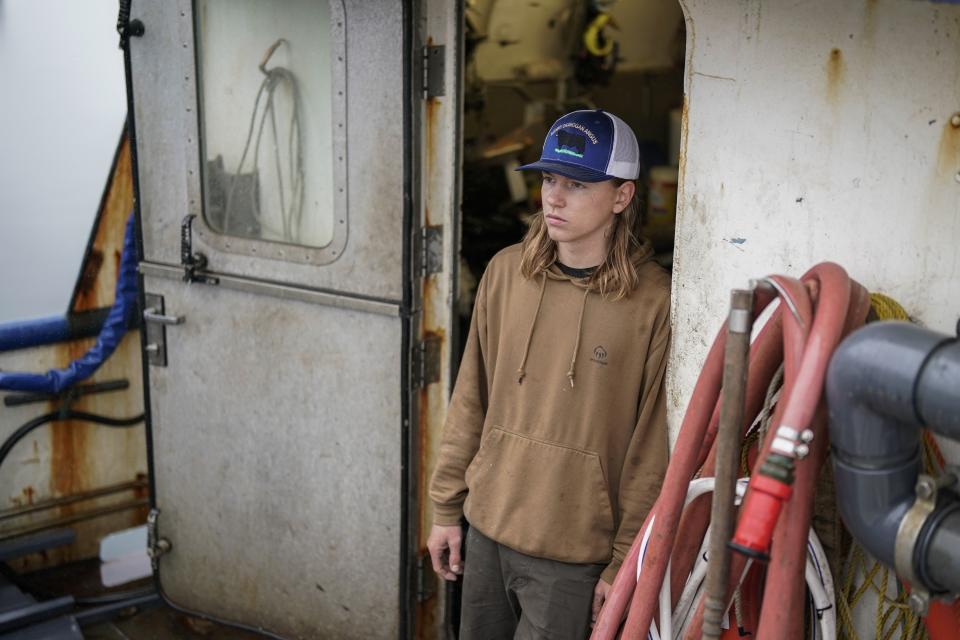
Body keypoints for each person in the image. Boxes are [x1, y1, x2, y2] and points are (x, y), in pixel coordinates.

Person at [428, 109, 670, 639]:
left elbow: (651, 449)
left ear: (623, 196)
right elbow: (471, 398)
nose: (554, 198)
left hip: (574, 555)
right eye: (548, 179)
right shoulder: (504, 274)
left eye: (578, 185)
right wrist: (447, 507)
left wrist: (625, 560)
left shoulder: (653, 303)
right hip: (488, 529)